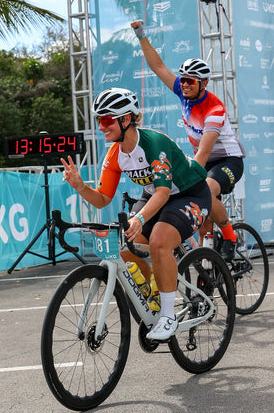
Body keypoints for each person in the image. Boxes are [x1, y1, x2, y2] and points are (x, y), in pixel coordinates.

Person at [61, 87, 211, 341]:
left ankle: (167, 316)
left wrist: (139, 218)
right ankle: (155, 292)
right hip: (156, 195)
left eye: (106, 120)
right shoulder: (115, 154)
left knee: (159, 242)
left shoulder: (153, 143)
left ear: (126, 119)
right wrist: (80, 186)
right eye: (99, 120)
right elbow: (102, 199)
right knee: (127, 251)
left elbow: (163, 192)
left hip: (189, 193)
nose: (101, 127)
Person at [130, 20, 245, 261]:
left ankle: (230, 236)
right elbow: (158, 66)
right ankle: (207, 260)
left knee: (206, 189)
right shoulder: (183, 93)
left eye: (190, 81)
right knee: (202, 219)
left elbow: (203, 154)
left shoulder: (214, 109)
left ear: (203, 84)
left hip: (228, 160)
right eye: (182, 79)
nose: (184, 84)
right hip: (205, 160)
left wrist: (186, 183)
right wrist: (141, 35)